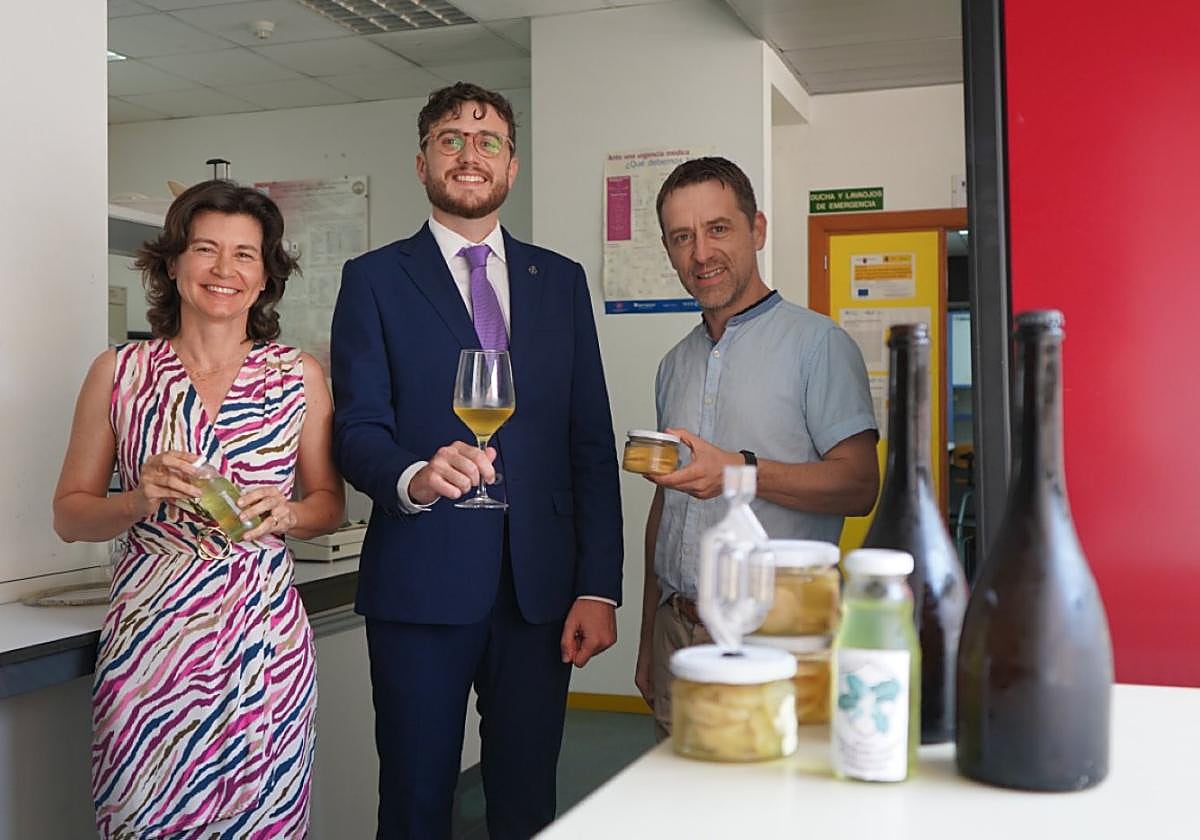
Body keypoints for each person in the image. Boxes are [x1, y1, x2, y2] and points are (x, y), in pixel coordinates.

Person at [330, 82, 623, 840]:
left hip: (541, 591)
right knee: (416, 801)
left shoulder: (558, 281)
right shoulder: (373, 280)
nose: (470, 154)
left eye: (487, 140)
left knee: (527, 801)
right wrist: (413, 476)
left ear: (512, 166)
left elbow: (588, 439)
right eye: (450, 139)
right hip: (418, 585)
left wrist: (600, 587)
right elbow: (357, 428)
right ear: (422, 161)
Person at [53, 180, 345, 838]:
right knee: (142, 818)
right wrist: (137, 499)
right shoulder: (119, 372)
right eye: (206, 250)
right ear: (173, 261)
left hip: (261, 638)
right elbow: (70, 515)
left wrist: (289, 515)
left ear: (266, 274)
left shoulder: (298, 374)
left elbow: (329, 503)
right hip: (152, 643)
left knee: (260, 819)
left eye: (245, 255)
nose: (224, 270)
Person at [633, 157, 879, 739]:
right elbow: (667, 509)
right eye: (682, 238)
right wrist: (649, 635)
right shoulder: (674, 365)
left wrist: (740, 472)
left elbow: (859, 485)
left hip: (778, 633)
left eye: (718, 229)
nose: (701, 254)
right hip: (680, 633)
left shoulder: (820, 346)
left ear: (757, 230)